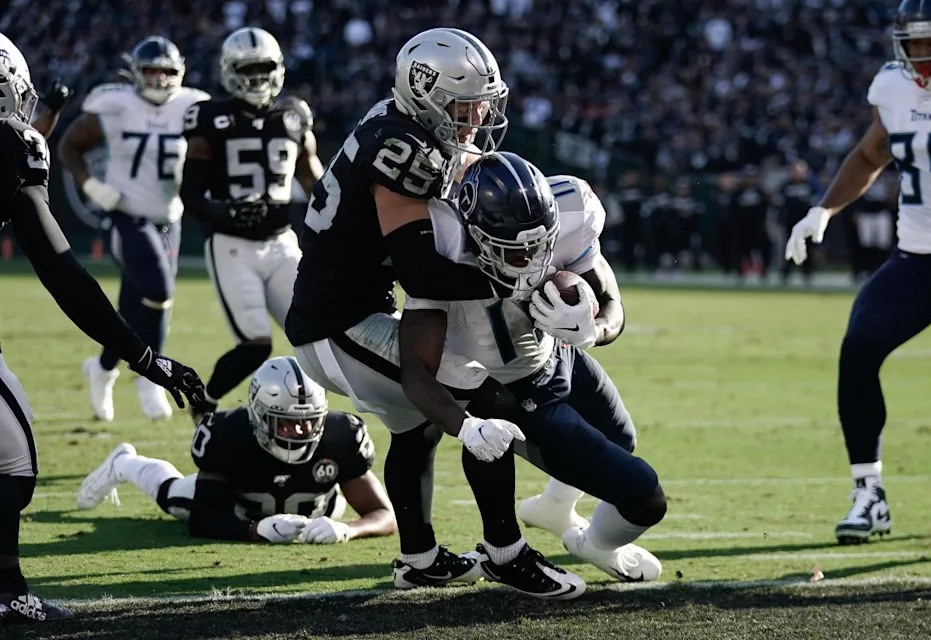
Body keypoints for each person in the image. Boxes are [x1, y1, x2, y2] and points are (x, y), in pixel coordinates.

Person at [287, 28, 566, 594]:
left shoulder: (401, 121)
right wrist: (518, 283)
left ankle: (417, 557)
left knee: (414, 427)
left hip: (349, 306)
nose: (478, 116)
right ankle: (505, 551)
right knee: (475, 390)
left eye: (484, 102)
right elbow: (421, 272)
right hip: (336, 325)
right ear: (425, 94)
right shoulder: (403, 148)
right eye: (465, 105)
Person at [0, 33, 205, 624]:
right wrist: (147, 358)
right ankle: (8, 594)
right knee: (13, 462)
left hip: (160, 219)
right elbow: (64, 274)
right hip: (129, 222)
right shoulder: (17, 143)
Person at [400, 152, 666, 587]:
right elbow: (416, 365)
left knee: (622, 440)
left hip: (558, 354)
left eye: (538, 244)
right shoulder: (439, 242)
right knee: (645, 497)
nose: (529, 258)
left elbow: (613, 304)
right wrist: (465, 424)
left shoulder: (573, 207)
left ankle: (563, 517)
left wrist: (593, 332)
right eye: (513, 248)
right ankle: (570, 544)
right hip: (504, 387)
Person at [785, 0, 931, 544]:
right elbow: (870, 154)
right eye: (916, 43)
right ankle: (869, 496)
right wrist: (824, 210)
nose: (926, 55)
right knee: (859, 349)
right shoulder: (892, 85)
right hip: (916, 256)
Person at [77, 357, 395, 545]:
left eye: (307, 423)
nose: (299, 433)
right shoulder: (228, 434)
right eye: (285, 423)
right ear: (259, 416)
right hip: (237, 506)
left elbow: (385, 515)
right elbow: (203, 520)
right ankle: (125, 463)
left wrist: (345, 530)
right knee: (173, 497)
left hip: (318, 507)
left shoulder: (340, 436)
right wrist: (255, 530)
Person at [58, 36, 211, 421]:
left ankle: (104, 368)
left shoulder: (193, 105)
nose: (159, 80)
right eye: (151, 71)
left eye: (166, 72)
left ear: (180, 73)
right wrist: (91, 185)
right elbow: (68, 147)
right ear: (135, 74)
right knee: (159, 289)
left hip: (169, 218)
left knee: (132, 307)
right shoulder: (115, 103)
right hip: (125, 214)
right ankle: (150, 377)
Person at [180, 27, 324, 415]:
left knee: (313, 331)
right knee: (255, 343)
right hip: (231, 245)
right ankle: (204, 403)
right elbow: (189, 192)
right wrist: (222, 211)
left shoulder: (294, 115)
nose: (257, 77)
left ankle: (307, 409)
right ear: (229, 70)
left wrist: (339, 221)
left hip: (281, 243)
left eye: (264, 68)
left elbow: (315, 181)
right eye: (248, 68)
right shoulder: (209, 117)